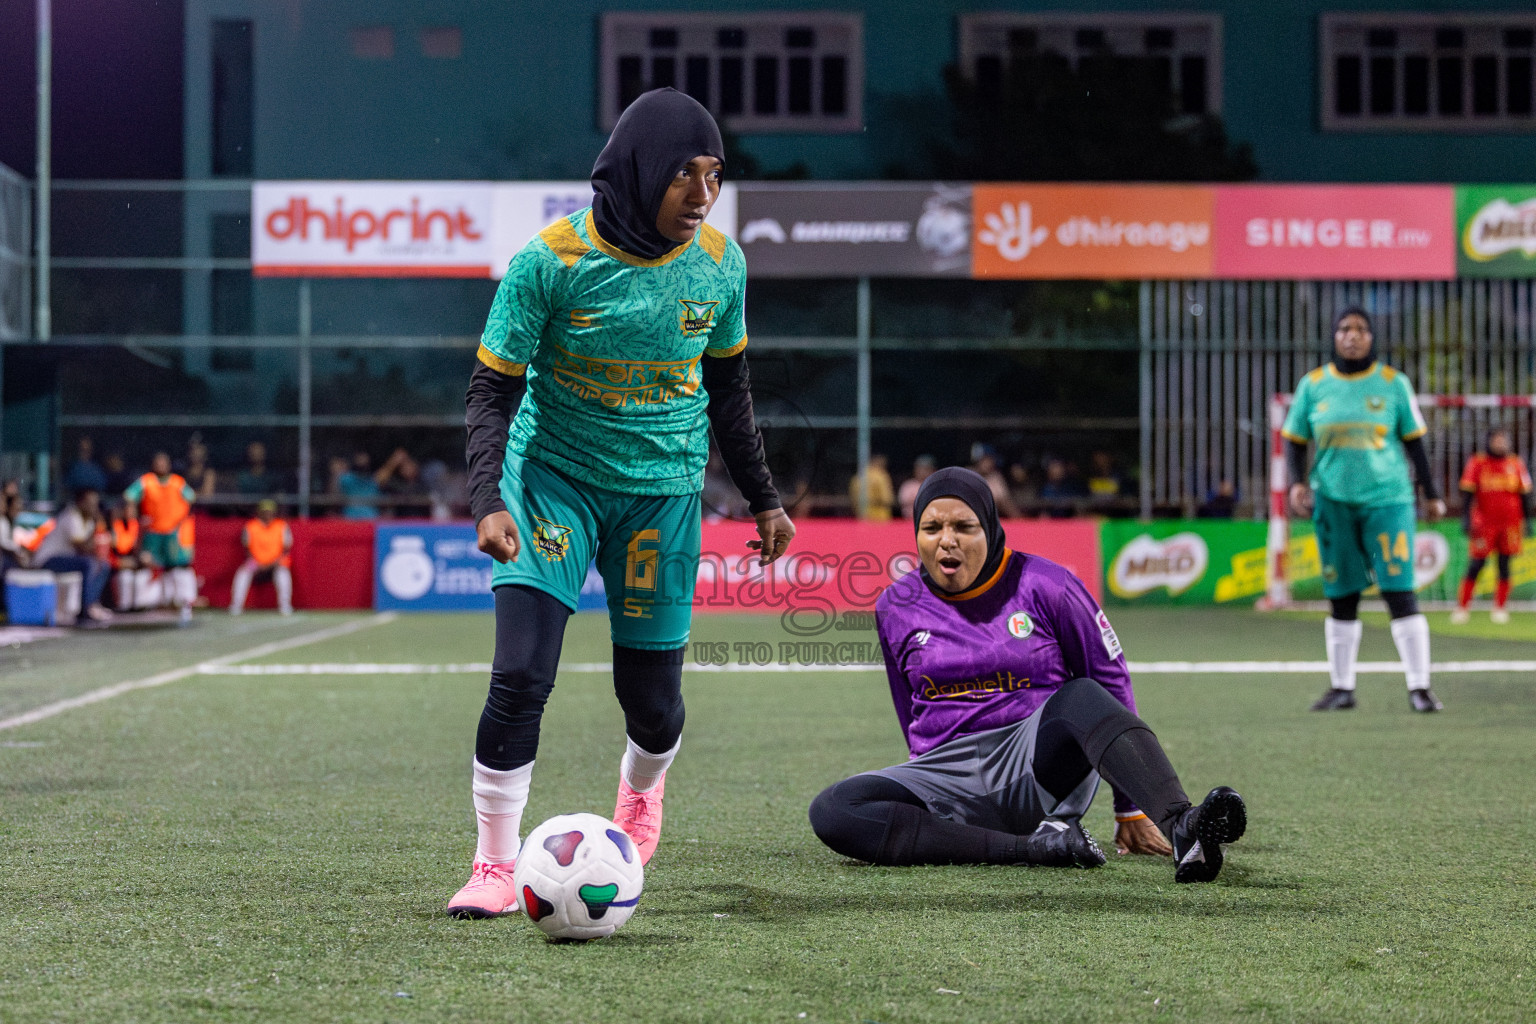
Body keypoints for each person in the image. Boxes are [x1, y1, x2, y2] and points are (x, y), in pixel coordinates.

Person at [448, 87, 795, 918]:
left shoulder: (721, 262)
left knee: (653, 702)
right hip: (552, 479)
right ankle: (496, 866)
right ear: (638, 172)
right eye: (686, 176)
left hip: (662, 493)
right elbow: (491, 391)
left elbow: (730, 388)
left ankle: (640, 796)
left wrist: (764, 498)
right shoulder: (550, 262)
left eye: (715, 177)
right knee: (522, 676)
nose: (703, 196)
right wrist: (488, 497)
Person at [808, 468, 1246, 882]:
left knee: (1082, 694)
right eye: (932, 528)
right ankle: (1037, 847)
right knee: (833, 809)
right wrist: (925, 778)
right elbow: (908, 705)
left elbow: (1110, 683)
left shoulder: (1047, 584)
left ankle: (1181, 826)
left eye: (964, 527)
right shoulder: (896, 604)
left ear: (991, 528)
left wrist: (1129, 809)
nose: (947, 541)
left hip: (1035, 767)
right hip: (945, 776)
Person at [1284, 307, 1447, 713]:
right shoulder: (1314, 384)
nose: (1352, 336)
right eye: (1344, 329)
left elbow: (1414, 442)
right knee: (1342, 594)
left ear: (1371, 338)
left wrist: (1432, 493)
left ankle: (1420, 687)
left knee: (1399, 590)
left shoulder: (1393, 384)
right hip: (1333, 502)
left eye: (1360, 329)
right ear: (1334, 336)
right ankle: (1342, 688)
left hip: (1387, 501)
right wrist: (1298, 482)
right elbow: (1295, 439)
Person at [1452, 427, 1532, 625]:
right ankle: (1462, 606)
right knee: (1476, 565)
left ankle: (1500, 607)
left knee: (1504, 565)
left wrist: (1527, 521)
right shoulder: (1478, 462)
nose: (1501, 444)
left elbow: (1525, 495)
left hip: (1510, 524)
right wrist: (1466, 519)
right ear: (1489, 441)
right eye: (1497, 440)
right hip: (1484, 524)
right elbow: (1468, 494)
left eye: (1504, 440)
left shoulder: (1515, 463)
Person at [125, 452, 199, 624]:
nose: (160, 465)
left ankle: (185, 604)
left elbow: (191, 498)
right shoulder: (146, 481)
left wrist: (180, 520)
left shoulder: (177, 482)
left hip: (173, 533)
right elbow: (129, 497)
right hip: (152, 533)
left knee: (178, 567)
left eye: (163, 462)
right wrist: (136, 516)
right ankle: (151, 604)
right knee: (148, 566)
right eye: (157, 462)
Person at [31, 488, 114, 623]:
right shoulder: (70, 516)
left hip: (67, 559)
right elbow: (82, 548)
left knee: (104, 565)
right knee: (88, 564)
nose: (93, 507)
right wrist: (96, 528)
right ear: (80, 503)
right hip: (49, 559)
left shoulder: (88, 520)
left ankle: (92, 604)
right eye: (89, 503)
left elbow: (91, 548)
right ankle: (84, 611)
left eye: (94, 504)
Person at [230, 499, 293, 615]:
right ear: (259, 512)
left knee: (283, 574)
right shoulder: (251, 526)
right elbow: (247, 549)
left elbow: (286, 550)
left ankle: (285, 605)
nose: (267, 514)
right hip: (256, 562)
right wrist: (256, 563)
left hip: (276, 563)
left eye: (270, 512)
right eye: (265, 512)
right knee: (243, 572)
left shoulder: (282, 526)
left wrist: (271, 564)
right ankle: (236, 605)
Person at [849, 453, 895, 521]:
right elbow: (886, 498)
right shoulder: (881, 476)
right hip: (880, 517)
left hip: (861, 516)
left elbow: (853, 499)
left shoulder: (857, 477)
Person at [897, 455, 936, 520]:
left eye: (926, 469)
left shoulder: (935, 486)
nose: (922, 472)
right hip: (909, 521)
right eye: (920, 469)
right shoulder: (908, 485)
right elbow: (902, 502)